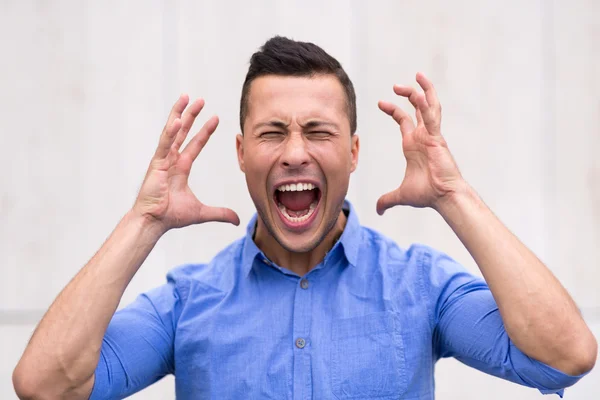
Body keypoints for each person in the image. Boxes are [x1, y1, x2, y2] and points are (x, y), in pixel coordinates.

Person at [13, 36, 596, 400]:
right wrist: (144, 220)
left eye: (318, 132)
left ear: (353, 153)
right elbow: (45, 385)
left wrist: (453, 193)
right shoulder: (188, 303)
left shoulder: (422, 288)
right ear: (241, 154)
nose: (295, 151)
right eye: (272, 133)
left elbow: (563, 357)